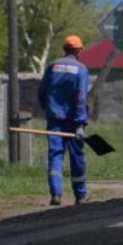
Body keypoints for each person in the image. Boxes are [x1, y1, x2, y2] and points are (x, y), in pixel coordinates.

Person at [37, 35, 90, 206]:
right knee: (77, 157)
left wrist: (49, 110)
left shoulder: (52, 67)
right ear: (77, 50)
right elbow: (81, 96)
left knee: (55, 156)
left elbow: (42, 92)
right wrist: (81, 122)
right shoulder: (81, 69)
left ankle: (56, 194)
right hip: (74, 122)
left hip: (55, 120)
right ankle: (81, 196)